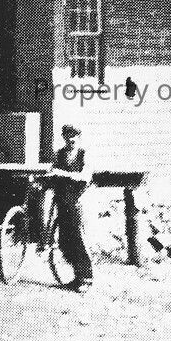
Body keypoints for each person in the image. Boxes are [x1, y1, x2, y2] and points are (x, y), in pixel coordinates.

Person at [48, 124, 94, 291]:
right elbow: (52, 171)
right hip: (63, 200)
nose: (70, 140)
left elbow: (85, 177)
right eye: (67, 137)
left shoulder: (84, 154)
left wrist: (64, 174)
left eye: (73, 137)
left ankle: (86, 278)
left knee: (77, 238)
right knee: (64, 241)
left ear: (79, 137)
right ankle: (77, 277)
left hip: (77, 199)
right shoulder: (59, 154)